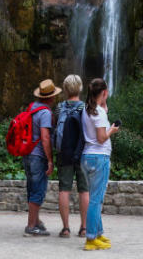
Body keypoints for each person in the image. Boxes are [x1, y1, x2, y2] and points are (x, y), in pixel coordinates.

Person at [81, 78, 119, 251]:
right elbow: (102, 138)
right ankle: (90, 239)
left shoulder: (87, 109)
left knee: (96, 198)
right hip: (99, 157)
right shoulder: (99, 112)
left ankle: (98, 233)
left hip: (87, 157)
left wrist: (104, 110)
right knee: (96, 200)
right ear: (103, 93)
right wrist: (112, 129)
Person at [23, 79, 59, 236]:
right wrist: (50, 160)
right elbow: (45, 137)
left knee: (32, 188)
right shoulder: (45, 112)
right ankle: (31, 226)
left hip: (27, 154)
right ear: (50, 97)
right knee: (38, 189)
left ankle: (36, 221)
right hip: (38, 156)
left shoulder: (31, 108)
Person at [55, 74, 89, 237]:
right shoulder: (86, 107)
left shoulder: (59, 108)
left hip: (64, 152)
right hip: (82, 152)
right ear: (80, 88)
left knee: (64, 190)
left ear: (65, 89)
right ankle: (84, 228)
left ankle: (66, 228)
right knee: (84, 190)